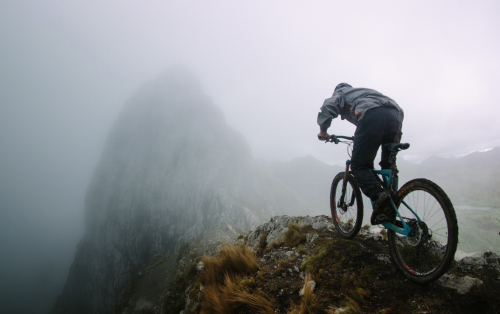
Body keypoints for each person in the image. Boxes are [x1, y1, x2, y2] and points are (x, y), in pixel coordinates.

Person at [317, 83, 404, 225]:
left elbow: (328, 106)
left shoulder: (341, 94)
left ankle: (379, 196)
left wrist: (323, 130)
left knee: (358, 165)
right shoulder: (363, 93)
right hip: (396, 114)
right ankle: (392, 204)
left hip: (372, 115)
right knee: (389, 167)